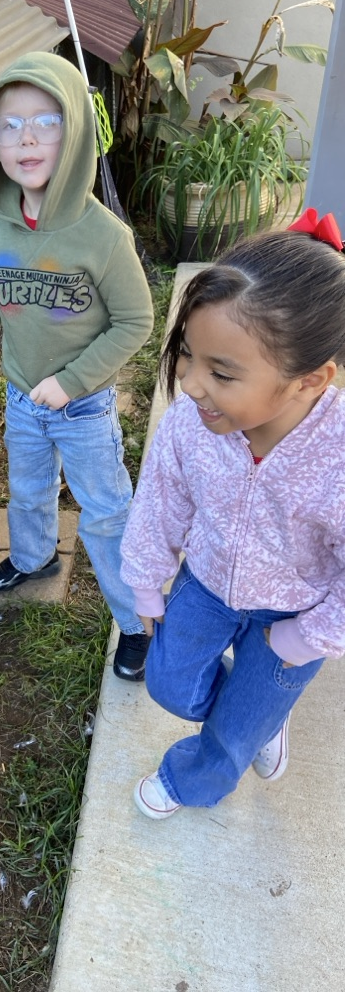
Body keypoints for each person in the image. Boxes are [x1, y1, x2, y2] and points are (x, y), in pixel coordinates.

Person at [0, 51, 154, 679]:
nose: (28, 137)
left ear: (75, 132)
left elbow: (137, 323)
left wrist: (69, 383)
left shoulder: (103, 238)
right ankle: (35, 557)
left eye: (46, 120)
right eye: (9, 124)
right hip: (22, 402)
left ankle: (136, 621)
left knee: (104, 511)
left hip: (86, 407)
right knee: (27, 491)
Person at [120, 210, 345, 819]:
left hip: (298, 609)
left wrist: (310, 636)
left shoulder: (339, 454)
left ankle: (199, 776)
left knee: (233, 733)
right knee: (169, 682)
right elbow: (161, 499)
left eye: (220, 372)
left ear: (310, 380)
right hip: (209, 580)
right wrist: (145, 578)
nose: (190, 384)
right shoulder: (191, 426)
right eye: (190, 357)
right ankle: (257, 715)